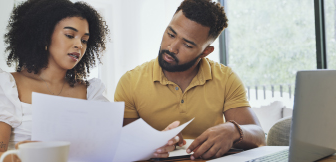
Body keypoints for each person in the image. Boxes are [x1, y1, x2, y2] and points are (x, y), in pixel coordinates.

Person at [114, 0, 266, 160]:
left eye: (187, 44)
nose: (171, 48)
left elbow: (259, 137)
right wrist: (156, 141)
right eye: (171, 34)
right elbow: (121, 148)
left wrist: (233, 130)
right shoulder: (130, 82)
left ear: (205, 52)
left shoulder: (226, 78)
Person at [0, 0, 109, 161]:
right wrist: (23, 157)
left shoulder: (91, 92)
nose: (79, 45)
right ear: (43, 36)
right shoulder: (5, 86)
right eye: (70, 35)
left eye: (84, 40)